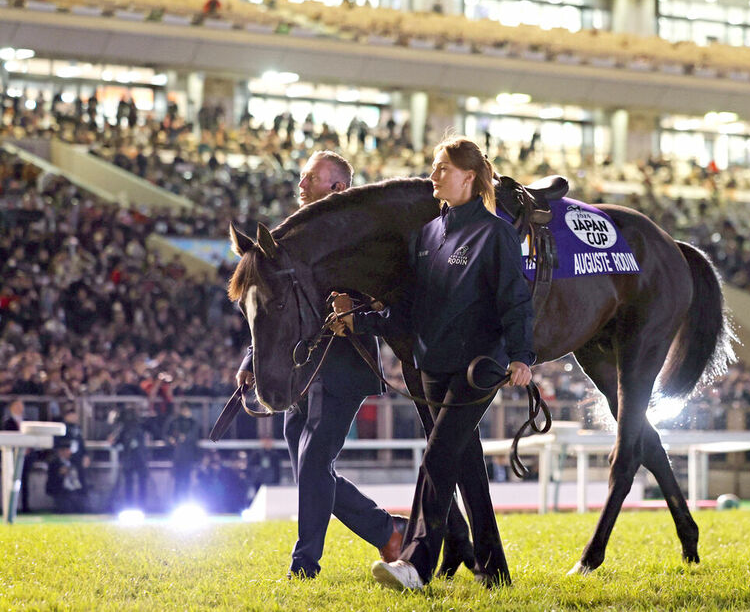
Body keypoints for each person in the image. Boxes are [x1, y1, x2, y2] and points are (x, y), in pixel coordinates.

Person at [337, 135, 534, 590]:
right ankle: (494, 571)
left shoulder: (496, 232)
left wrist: (522, 356)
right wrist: (358, 322)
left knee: (439, 455)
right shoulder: (426, 235)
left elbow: (516, 302)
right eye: (434, 166)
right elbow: (405, 310)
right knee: (464, 464)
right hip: (432, 365)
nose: (433, 175)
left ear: (469, 176)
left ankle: (416, 563)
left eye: (443, 168)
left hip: (478, 367)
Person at [235, 150, 406, 579]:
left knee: (313, 466)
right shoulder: (296, 237)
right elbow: (277, 310)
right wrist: (254, 356)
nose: (300, 184)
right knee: (312, 470)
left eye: (310, 177)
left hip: (342, 365)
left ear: (338, 188)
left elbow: (380, 292)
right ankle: (388, 532)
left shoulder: (361, 233)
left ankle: (304, 565)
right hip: (301, 368)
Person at [164, 403, 201, 501]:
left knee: (186, 481)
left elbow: (194, 436)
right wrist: (170, 440)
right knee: (177, 481)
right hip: (177, 457)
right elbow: (165, 434)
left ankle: (185, 501)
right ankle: (176, 502)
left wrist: (185, 438)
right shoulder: (174, 421)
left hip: (188, 457)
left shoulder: (193, 422)